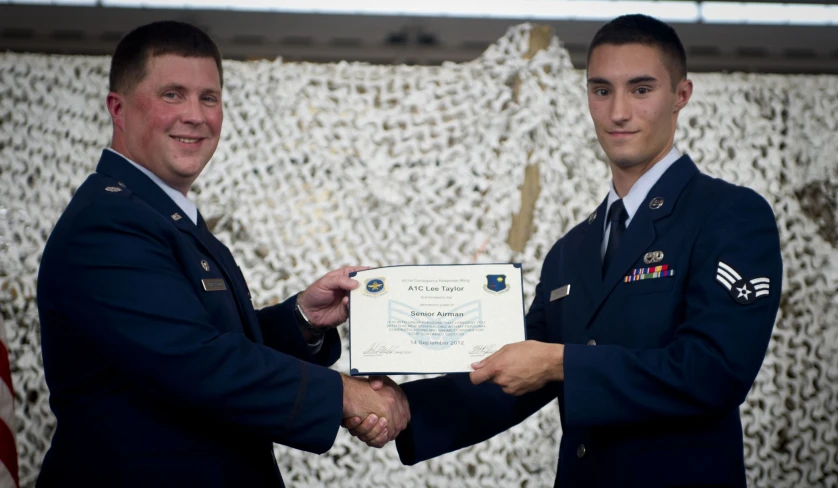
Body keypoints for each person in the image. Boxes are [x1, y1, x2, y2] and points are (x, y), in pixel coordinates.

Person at [346, 14, 782, 487]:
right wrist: (407, 407)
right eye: (601, 90)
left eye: (641, 89)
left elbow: (713, 372)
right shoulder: (571, 250)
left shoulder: (729, 215)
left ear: (681, 95)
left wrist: (559, 363)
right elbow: (513, 371)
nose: (618, 111)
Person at [36, 21, 408, 488]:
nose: (194, 115)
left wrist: (301, 319)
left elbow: (204, 339)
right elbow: (193, 361)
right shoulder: (109, 223)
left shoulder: (158, 211)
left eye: (208, 98)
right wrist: (344, 396)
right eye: (172, 94)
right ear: (118, 109)